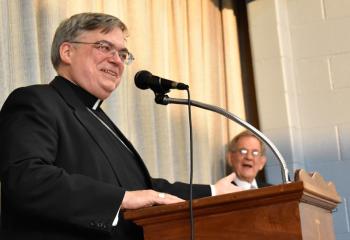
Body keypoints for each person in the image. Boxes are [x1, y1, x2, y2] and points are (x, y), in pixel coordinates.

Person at [0, 12, 242, 240]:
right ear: (67, 51)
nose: (117, 61)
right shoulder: (36, 100)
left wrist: (212, 192)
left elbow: (143, 189)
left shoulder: (98, 117)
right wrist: (121, 199)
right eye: (104, 47)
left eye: (123, 54)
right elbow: (26, 179)